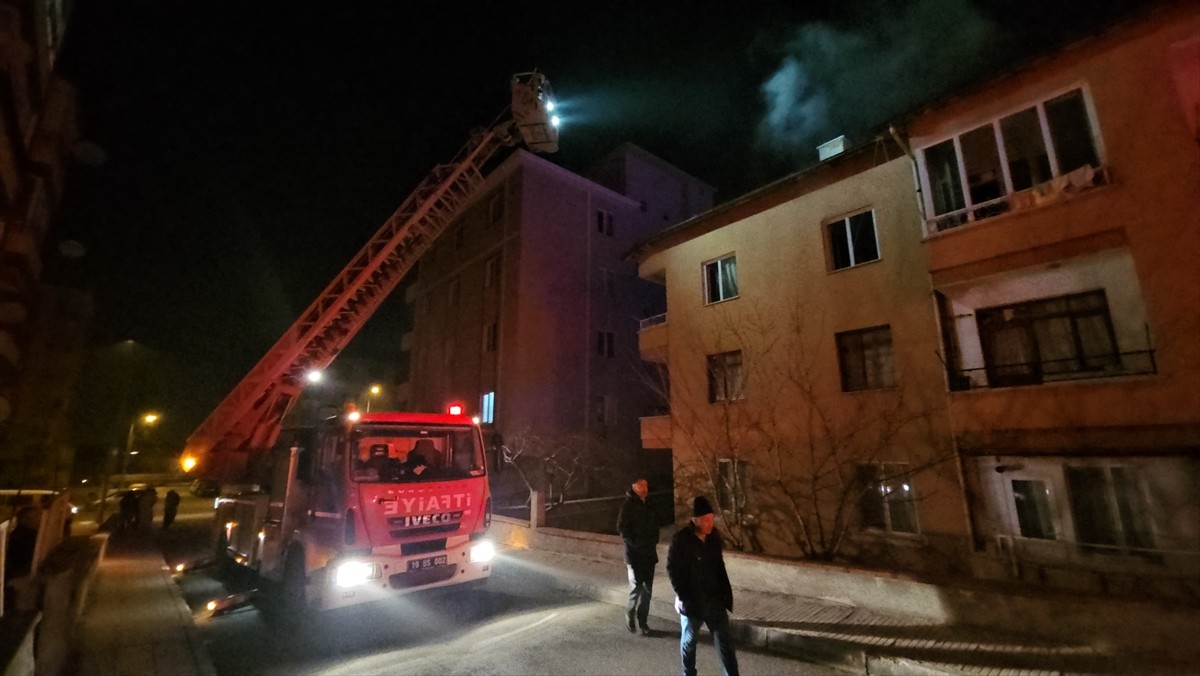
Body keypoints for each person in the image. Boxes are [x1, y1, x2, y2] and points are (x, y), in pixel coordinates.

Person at [667, 496, 739, 676]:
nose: (710, 523)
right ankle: (688, 672)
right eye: (706, 520)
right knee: (689, 642)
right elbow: (673, 569)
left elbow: (719, 566)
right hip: (693, 602)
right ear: (695, 520)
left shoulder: (714, 538)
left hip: (715, 600)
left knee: (725, 643)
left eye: (711, 519)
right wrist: (683, 596)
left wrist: (724, 593)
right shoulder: (681, 540)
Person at [617, 477, 658, 636]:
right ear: (634, 487)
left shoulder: (649, 504)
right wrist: (636, 544)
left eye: (646, 485)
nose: (645, 488)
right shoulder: (627, 506)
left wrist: (654, 539)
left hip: (649, 554)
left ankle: (643, 622)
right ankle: (630, 611)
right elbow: (622, 529)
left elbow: (655, 524)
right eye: (642, 486)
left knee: (647, 591)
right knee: (636, 587)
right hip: (634, 555)